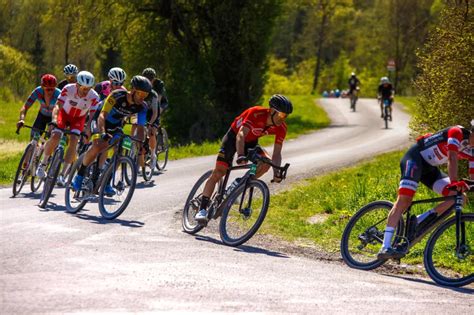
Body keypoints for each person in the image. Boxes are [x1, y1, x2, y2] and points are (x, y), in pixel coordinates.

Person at [377, 125, 474, 260]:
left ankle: (418, 220)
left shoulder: (472, 150)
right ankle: (385, 246)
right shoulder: (456, 132)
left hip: (430, 169)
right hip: (415, 159)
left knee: (458, 198)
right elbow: (452, 157)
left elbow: (472, 175)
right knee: (404, 200)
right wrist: (453, 182)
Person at [194, 94, 293, 223]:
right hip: (233, 138)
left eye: (286, 116)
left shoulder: (281, 128)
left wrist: (276, 172)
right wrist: (240, 155)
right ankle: (202, 209)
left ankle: (240, 185)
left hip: (251, 142)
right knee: (219, 172)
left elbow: (277, 154)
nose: (283, 119)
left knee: (266, 162)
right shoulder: (256, 113)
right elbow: (240, 135)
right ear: (272, 111)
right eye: (282, 115)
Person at [71, 75, 152, 195]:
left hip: (116, 123)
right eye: (140, 94)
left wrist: (141, 144)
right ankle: (79, 176)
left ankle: (106, 182)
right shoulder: (117, 95)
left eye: (145, 95)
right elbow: (102, 115)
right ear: (133, 90)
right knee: (99, 145)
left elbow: (140, 128)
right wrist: (103, 132)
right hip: (100, 118)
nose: (142, 97)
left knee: (120, 149)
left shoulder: (142, 107)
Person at [36, 71, 100, 187]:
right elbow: (57, 106)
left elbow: (92, 116)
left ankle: (62, 175)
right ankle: (43, 164)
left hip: (79, 119)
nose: (86, 91)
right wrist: (55, 119)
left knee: (74, 141)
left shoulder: (94, 96)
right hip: (64, 114)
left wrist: (88, 129)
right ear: (77, 85)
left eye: (88, 88)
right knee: (55, 136)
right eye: (83, 88)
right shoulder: (68, 88)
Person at [140, 67, 169, 170]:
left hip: (160, 103)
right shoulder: (141, 84)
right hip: (148, 105)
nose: (149, 80)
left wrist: (155, 116)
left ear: (154, 78)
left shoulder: (159, 84)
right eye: (146, 78)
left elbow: (159, 99)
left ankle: (153, 154)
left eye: (151, 78)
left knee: (154, 121)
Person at [17, 74, 61, 138]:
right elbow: (25, 107)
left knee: (52, 138)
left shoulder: (59, 94)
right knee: (33, 137)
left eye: (52, 89)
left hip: (54, 117)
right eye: (48, 89)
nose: (50, 92)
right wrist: (21, 119)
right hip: (42, 115)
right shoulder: (37, 91)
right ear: (42, 87)